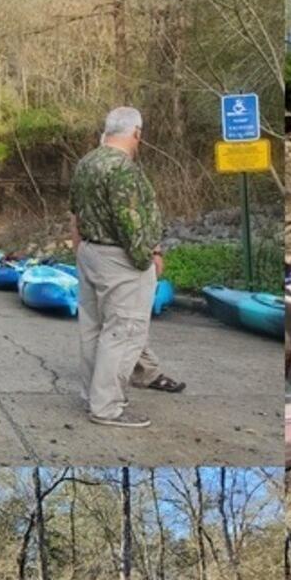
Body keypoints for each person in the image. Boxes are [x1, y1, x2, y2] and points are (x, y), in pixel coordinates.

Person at [68, 105, 183, 429]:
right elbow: (131, 222)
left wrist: (79, 249)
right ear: (136, 133)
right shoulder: (124, 170)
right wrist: (148, 257)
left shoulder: (86, 163)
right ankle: (107, 407)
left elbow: (74, 213)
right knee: (123, 332)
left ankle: (92, 395)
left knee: (93, 329)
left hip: (90, 252)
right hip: (121, 258)